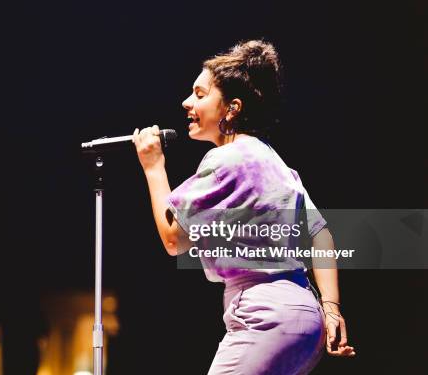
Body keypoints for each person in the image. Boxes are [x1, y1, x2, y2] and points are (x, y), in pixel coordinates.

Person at [132, 40, 355, 374]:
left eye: (200, 94)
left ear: (231, 108)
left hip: (264, 314)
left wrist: (153, 167)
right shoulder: (274, 162)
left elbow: (173, 239)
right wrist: (332, 310)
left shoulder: (228, 158)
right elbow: (320, 234)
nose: (187, 102)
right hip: (307, 317)